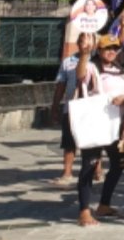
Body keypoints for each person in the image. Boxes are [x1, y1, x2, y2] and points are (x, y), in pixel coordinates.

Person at [73, 33, 124, 226]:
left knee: (120, 163)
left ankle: (104, 204)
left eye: (115, 48)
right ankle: (84, 211)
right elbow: (80, 76)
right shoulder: (91, 67)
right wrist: (83, 54)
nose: (112, 52)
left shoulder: (120, 70)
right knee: (89, 166)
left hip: (116, 126)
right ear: (100, 50)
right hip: (96, 124)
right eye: (108, 48)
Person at [51, 32, 90, 185]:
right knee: (69, 141)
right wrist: (55, 105)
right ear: (78, 43)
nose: (85, 45)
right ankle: (67, 172)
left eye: (88, 42)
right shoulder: (68, 62)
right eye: (82, 42)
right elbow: (61, 85)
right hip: (72, 106)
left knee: (93, 142)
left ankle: (96, 170)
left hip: (91, 107)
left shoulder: (97, 60)